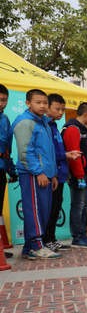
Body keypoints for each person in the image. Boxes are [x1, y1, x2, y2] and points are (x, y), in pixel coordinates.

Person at [12, 89, 60, 259]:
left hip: (45, 175)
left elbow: (48, 152)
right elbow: (25, 152)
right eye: (38, 102)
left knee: (42, 211)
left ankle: (29, 248)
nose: (42, 105)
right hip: (32, 174)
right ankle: (37, 245)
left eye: (45, 102)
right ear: (28, 103)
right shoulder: (25, 122)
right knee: (34, 210)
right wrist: (38, 172)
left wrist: (52, 174)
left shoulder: (43, 122)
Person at [42, 93, 75, 252]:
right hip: (50, 174)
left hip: (60, 174)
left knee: (56, 207)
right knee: (49, 208)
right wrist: (65, 155)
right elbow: (49, 152)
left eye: (63, 109)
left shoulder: (54, 126)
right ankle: (45, 239)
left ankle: (52, 238)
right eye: (57, 109)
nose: (61, 112)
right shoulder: (44, 126)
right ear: (47, 107)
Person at [62, 102, 87, 248]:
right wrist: (79, 175)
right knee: (78, 205)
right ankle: (77, 236)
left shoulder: (82, 129)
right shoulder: (73, 128)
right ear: (86, 114)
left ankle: (82, 234)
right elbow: (74, 153)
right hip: (79, 175)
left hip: (85, 173)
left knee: (83, 206)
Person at [0, 84, 18, 235]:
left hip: (2, 168)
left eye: (4, 100)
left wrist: (12, 170)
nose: (1, 103)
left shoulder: (5, 119)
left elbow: (7, 149)